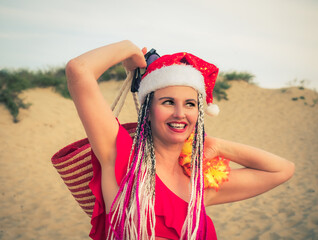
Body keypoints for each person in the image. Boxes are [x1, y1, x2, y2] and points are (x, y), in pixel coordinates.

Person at [65, 40, 295, 240]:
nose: (180, 113)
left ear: (199, 114)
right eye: (167, 102)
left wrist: (217, 146)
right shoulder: (122, 156)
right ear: (148, 110)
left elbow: (282, 170)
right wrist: (130, 50)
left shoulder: (198, 186)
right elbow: (79, 70)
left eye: (190, 104)